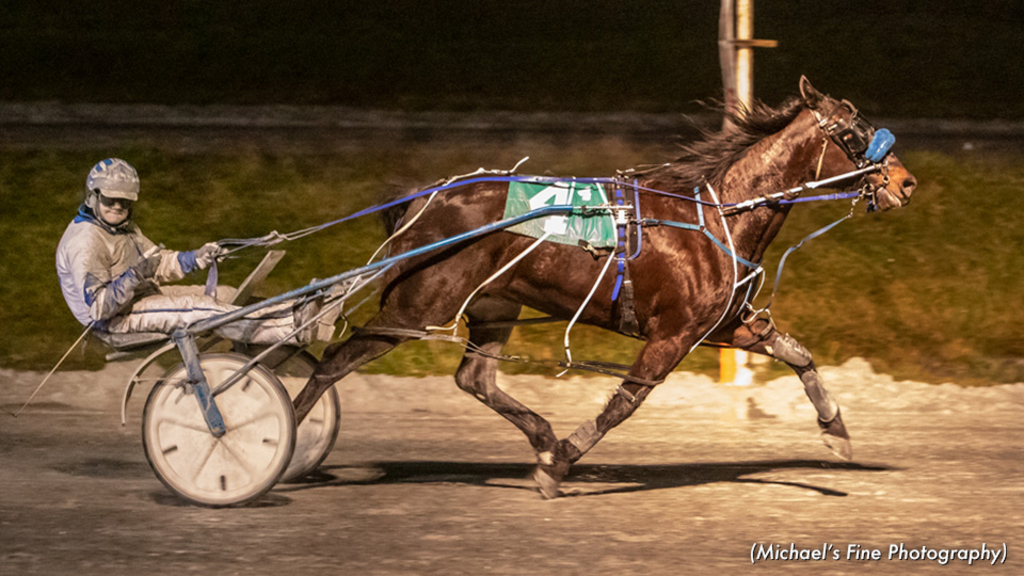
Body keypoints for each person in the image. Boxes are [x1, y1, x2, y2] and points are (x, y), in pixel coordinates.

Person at [56, 158, 332, 346]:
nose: (117, 206)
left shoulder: (123, 228)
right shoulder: (86, 241)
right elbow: (98, 308)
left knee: (225, 294)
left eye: (125, 201)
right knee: (198, 309)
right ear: (93, 197)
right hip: (115, 322)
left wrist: (197, 257)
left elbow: (158, 262)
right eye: (110, 199)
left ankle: (294, 311)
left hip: (140, 298)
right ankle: (290, 328)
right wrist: (137, 274)